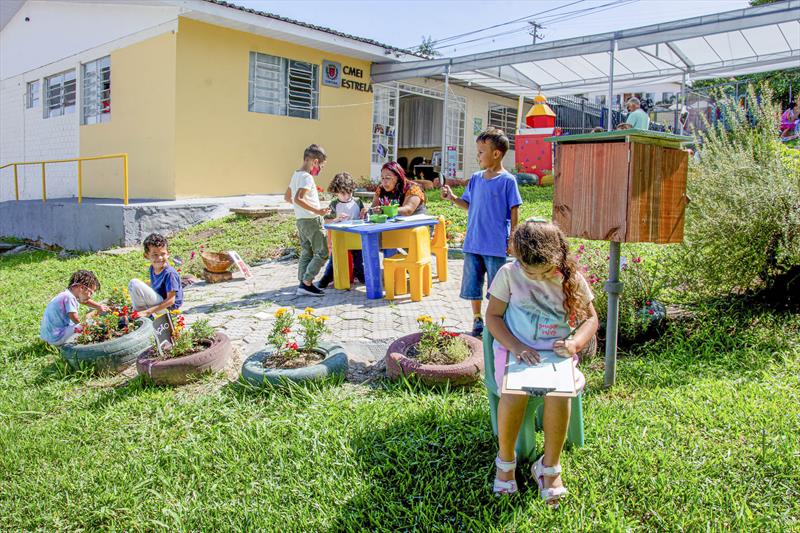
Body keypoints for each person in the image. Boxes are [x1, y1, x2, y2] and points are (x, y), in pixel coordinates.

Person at [486, 220, 598, 506]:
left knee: (561, 395)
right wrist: (516, 346)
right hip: (515, 352)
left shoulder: (570, 277)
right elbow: (493, 318)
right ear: (517, 257)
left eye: (546, 271)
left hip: (556, 356)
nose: (537, 277)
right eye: (529, 271)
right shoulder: (508, 274)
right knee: (513, 395)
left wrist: (574, 344)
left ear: (558, 257)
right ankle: (506, 461)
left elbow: (590, 319)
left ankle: (549, 467)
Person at [441, 127, 522, 338]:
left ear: (496, 154)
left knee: (497, 287)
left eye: (480, 152)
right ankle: (477, 319)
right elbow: (467, 204)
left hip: (495, 245)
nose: (478, 156)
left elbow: (515, 210)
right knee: (472, 285)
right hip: (473, 243)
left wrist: (512, 238)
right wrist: (452, 197)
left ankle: (497, 320)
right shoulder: (476, 178)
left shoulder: (508, 181)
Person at [284, 144, 332, 297]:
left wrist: (303, 208)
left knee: (307, 252)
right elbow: (298, 198)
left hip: (301, 221)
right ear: (315, 162)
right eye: (321, 166)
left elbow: (288, 197)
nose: (320, 170)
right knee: (323, 252)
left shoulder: (296, 174)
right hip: (312, 220)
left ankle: (302, 284)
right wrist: (317, 210)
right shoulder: (307, 177)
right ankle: (307, 282)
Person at [317, 172, 365, 289]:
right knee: (335, 259)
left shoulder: (358, 202)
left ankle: (359, 273)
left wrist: (364, 215)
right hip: (340, 237)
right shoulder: (334, 204)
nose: (346, 196)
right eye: (343, 193)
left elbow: (362, 217)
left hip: (356, 236)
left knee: (359, 257)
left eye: (349, 192)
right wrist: (337, 218)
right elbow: (327, 222)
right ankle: (328, 276)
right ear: (336, 191)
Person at [40, 270, 108, 346]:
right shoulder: (70, 298)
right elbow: (77, 320)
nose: (90, 296)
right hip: (57, 338)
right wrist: (96, 312)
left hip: (49, 337)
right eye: (91, 292)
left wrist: (98, 306)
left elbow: (84, 301)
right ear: (82, 288)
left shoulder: (67, 294)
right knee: (88, 322)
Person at [128, 233, 184, 316]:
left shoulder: (170, 273)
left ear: (168, 254)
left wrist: (148, 311)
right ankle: (139, 315)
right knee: (133, 286)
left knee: (134, 283)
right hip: (159, 303)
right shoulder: (152, 268)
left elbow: (171, 301)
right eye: (155, 255)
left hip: (169, 310)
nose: (160, 258)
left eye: (163, 254)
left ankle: (142, 315)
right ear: (146, 256)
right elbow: (156, 285)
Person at [360, 161, 427, 218]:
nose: (384, 182)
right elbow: (374, 207)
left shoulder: (413, 188)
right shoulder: (380, 189)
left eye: (388, 178)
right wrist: (368, 211)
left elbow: (408, 210)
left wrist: (384, 210)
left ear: (397, 177)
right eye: (382, 178)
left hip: (417, 227)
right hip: (394, 226)